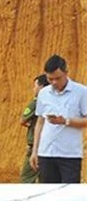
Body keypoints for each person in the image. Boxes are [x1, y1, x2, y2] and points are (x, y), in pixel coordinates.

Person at [30, 55, 87, 183]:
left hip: (69, 155)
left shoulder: (81, 92)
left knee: (70, 196)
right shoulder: (43, 93)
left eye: (58, 78)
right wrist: (35, 151)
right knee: (47, 195)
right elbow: (40, 122)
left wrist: (66, 121)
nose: (54, 82)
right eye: (50, 79)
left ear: (66, 73)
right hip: (46, 154)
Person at [19, 74, 49, 183]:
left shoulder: (36, 103)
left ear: (41, 87)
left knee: (26, 178)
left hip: (35, 146)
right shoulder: (52, 102)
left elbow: (22, 120)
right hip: (48, 146)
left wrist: (31, 125)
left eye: (35, 85)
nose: (34, 88)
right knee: (44, 178)